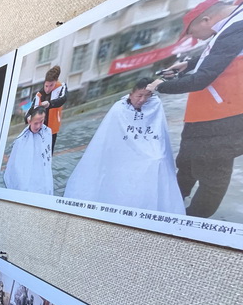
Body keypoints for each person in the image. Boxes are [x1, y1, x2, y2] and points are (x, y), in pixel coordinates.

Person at [148, 0, 243, 217]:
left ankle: (192, 223)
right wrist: (189, 64)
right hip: (207, 116)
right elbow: (221, 53)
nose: (193, 38)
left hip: (223, 121)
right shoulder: (230, 24)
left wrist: (161, 86)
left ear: (206, 20)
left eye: (191, 32)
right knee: (187, 165)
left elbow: (203, 78)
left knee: (213, 177)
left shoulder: (237, 26)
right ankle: (170, 209)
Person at [64, 79, 185, 213]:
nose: (142, 100)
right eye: (139, 96)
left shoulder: (155, 105)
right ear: (131, 94)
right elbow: (109, 136)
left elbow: (158, 130)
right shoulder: (119, 107)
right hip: (124, 150)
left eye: (147, 96)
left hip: (149, 147)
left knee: (156, 160)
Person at [3, 107, 54, 194]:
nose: (38, 126)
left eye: (41, 122)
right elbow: (16, 165)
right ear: (29, 121)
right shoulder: (21, 140)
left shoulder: (47, 132)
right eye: (36, 123)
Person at [32, 65, 67, 151]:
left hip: (52, 128)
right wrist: (28, 117)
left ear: (56, 82)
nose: (48, 89)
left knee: (48, 153)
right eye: (46, 85)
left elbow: (62, 99)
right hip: (39, 128)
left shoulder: (61, 87)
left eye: (51, 85)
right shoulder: (40, 93)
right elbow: (32, 109)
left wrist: (50, 103)